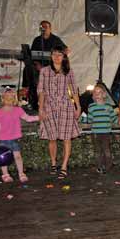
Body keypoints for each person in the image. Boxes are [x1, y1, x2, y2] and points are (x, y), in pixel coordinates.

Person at [37, 45, 81, 179]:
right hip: (49, 107)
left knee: (66, 138)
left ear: (64, 57)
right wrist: (41, 108)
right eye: (54, 54)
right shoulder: (44, 71)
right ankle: (53, 163)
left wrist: (78, 107)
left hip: (65, 107)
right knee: (52, 138)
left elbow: (74, 91)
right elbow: (41, 91)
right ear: (51, 56)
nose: (57, 57)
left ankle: (64, 166)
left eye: (59, 54)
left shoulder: (69, 71)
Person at [0, 89, 39, 182]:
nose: (9, 98)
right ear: (3, 98)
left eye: (11, 96)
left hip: (14, 139)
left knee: (18, 157)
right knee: (3, 158)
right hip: (2, 140)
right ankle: (5, 175)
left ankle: (21, 173)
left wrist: (39, 117)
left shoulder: (18, 110)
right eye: (7, 96)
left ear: (14, 98)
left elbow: (28, 118)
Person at [24, 20, 69, 110]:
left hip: (52, 66)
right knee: (28, 69)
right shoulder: (37, 40)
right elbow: (33, 55)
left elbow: (66, 50)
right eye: (42, 27)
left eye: (46, 27)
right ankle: (33, 100)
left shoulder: (56, 39)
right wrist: (38, 65)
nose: (44, 29)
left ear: (50, 28)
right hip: (39, 66)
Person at [87, 84, 118, 174]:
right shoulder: (91, 107)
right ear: (93, 95)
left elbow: (113, 118)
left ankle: (108, 166)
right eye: (95, 92)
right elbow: (89, 120)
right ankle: (99, 166)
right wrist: (82, 119)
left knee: (106, 149)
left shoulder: (108, 106)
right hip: (95, 133)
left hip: (106, 132)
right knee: (97, 151)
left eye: (99, 92)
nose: (97, 94)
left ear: (104, 94)